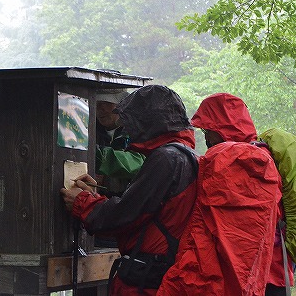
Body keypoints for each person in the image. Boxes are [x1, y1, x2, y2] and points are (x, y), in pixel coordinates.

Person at [60, 85, 198, 296]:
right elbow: (145, 208)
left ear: (148, 122)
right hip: (157, 273)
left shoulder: (167, 159)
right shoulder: (184, 155)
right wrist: (95, 196)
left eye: (133, 122)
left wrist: (84, 202)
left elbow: (126, 214)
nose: (129, 129)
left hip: (148, 278)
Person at [158, 93, 293, 296]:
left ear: (221, 128)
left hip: (235, 277)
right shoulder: (263, 156)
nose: (206, 137)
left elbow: (218, 230)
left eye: (208, 130)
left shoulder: (228, 160)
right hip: (270, 271)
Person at [95, 88, 145, 197]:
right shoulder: (89, 131)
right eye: (97, 103)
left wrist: (99, 156)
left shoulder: (136, 133)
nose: (100, 109)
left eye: (105, 103)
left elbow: (137, 164)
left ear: (121, 105)